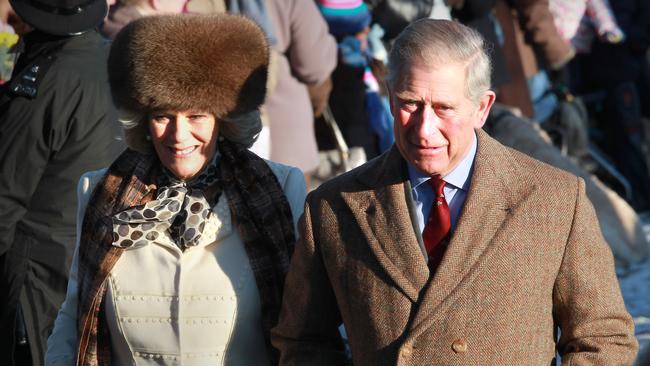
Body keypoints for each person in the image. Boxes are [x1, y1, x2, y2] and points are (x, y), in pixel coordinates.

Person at [272, 19, 638, 365]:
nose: (424, 129)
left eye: (444, 108)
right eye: (409, 104)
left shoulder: (553, 201)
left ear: (482, 108)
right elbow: (303, 341)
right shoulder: (335, 207)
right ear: (389, 97)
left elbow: (603, 338)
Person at [45, 13, 306, 365]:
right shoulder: (100, 192)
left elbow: (308, 325)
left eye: (196, 116)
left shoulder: (280, 190)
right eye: (162, 116)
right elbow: (75, 312)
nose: (178, 136)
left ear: (224, 119)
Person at [0, 0, 123, 364]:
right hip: (101, 262)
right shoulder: (114, 59)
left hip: (38, 275)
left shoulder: (45, 80)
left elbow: (6, 195)